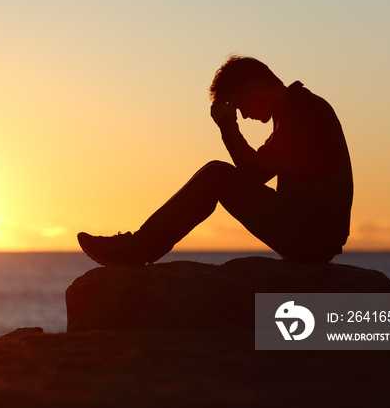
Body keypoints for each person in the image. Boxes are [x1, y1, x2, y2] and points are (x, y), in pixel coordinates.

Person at [77, 56, 353, 266]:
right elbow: (257, 171)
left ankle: (136, 250)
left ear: (255, 87)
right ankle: (137, 247)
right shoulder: (299, 108)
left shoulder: (302, 112)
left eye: (240, 105)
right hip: (312, 234)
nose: (244, 115)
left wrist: (226, 125)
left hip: (312, 238)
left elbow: (254, 173)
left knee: (217, 176)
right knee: (216, 173)